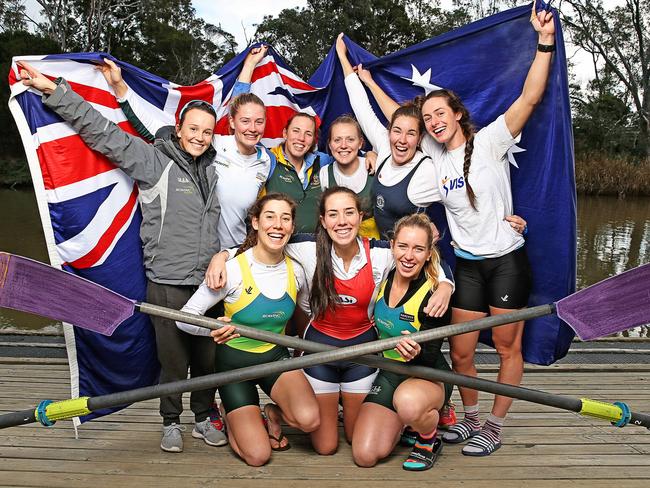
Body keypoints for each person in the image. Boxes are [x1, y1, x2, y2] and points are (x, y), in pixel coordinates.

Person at [342, 3, 555, 456]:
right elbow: (392, 117)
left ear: (457, 114)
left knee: (504, 347)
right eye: (429, 117)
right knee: (460, 353)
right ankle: (471, 418)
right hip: (469, 264)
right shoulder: (432, 160)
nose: (435, 121)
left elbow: (530, 98)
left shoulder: (492, 140)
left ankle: (495, 425)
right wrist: (367, 82)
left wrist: (544, 43)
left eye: (442, 113)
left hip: (506, 262)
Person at [18, 62, 228, 452]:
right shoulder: (154, 162)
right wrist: (52, 88)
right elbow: (103, 132)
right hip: (166, 282)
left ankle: (202, 417)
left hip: (208, 285)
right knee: (171, 361)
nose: (200, 137)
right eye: (193, 129)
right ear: (179, 129)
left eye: (207, 131)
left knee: (206, 359)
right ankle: (170, 422)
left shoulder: (215, 171)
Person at [211, 187, 455, 454]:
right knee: (325, 447)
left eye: (349, 213)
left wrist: (445, 284)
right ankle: (275, 413)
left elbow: (420, 254)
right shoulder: (306, 247)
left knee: (354, 439)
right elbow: (266, 243)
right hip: (320, 350)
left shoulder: (380, 253)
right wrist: (222, 255)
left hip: (362, 353)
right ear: (323, 221)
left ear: (361, 217)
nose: (342, 221)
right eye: (333, 214)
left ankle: (403, 423)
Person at [176, 193, 320, 466]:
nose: (278, 225)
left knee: (310, 420)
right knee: (258, 456)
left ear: (291, 227)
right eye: (270, 216)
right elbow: (183, 318)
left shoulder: (297, 271)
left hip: (275, 359)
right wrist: (211, 329)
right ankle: (230, 415)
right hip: (234, 367)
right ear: (255, 222)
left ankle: (273, 414)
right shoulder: (232, 270)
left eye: (285, 218)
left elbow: (309, 313)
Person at [101, 56, 273, 254]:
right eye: (245, 121)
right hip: (195, 254)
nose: (252, 128)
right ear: (232, 122)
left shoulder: (267, 161)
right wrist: (120, 86)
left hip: (235, 255)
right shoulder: (212, 144)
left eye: (259, 122)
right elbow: (156, 128)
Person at [352, 213, 452, 471]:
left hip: (426, 374)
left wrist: (416, 350)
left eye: (418, 249)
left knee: (408, 404)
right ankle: (406, 422)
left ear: (429, 253)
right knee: (365, 455)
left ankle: (428, 437)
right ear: (393, 245)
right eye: (403, 246)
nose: (409, 256)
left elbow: (430, 355)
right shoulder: (382, 275)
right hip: (390, 372)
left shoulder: (434, 293)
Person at [320, 115, 380, 239]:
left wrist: (373, 154)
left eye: (350, 139)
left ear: (360, 143)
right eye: (337, 140)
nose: (343, 145)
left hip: (374, 244)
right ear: (330, 145)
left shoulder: (374, 166)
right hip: (339, 242)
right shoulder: (325, 173)